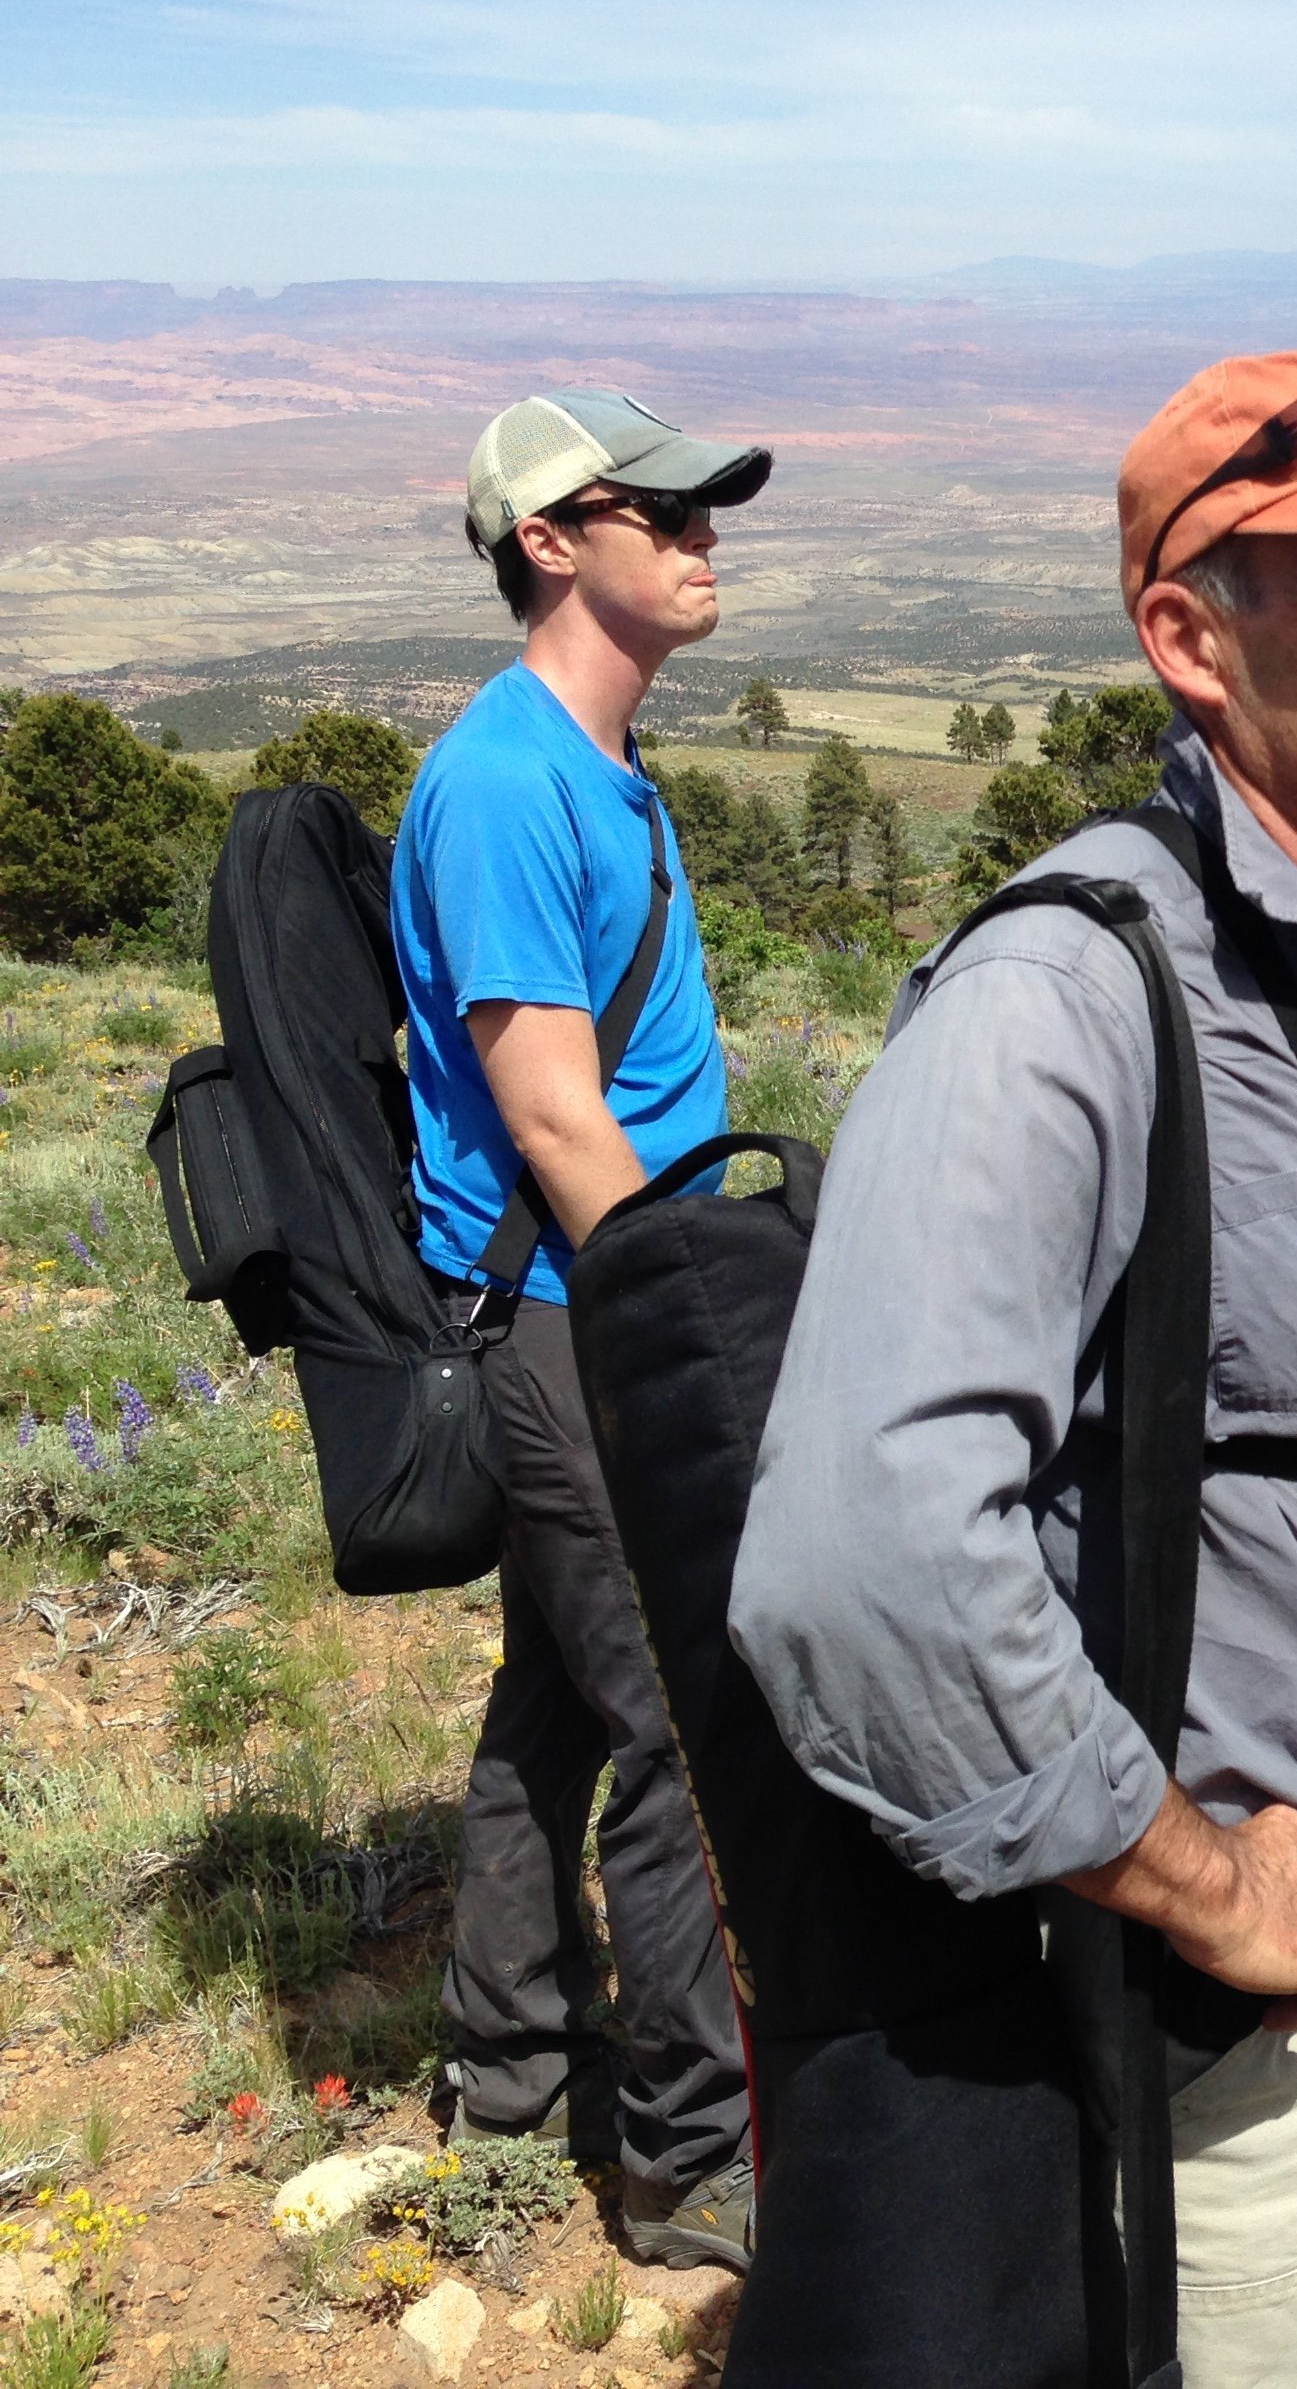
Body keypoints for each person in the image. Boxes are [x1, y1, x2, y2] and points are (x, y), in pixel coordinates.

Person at [731, 350, 1297, 2389]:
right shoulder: (1070, 999)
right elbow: (862, 1563)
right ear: (1193, 639)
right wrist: (1198, 1884)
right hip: (1206, 2031)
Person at [396, 387, 772, 2270]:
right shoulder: (503, 786)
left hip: (594, 1298)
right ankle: (700, 2167)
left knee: (550, 1711)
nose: (709, 532)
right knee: (685, 1731)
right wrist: (674, 1330)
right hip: (576, 1317)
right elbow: (549, 1115)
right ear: (552, 542)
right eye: (670, 508)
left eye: (714, 506)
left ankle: (505, 2081)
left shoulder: (593, 763)